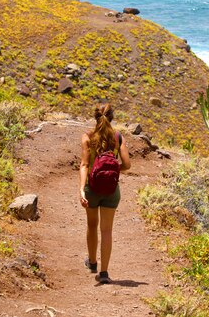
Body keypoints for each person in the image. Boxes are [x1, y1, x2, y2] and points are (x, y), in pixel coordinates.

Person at [79, 103, 131, 284]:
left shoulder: (88, 137)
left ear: (95, 117)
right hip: (111, 190)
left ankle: (92, 263)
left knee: (92, 225)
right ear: (112, 117)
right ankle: (104, 273)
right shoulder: (118, 137)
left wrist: (81, 189)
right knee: (107, 230)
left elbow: (84, 165)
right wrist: (113, 171)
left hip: (92, 189)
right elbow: (127, 164)